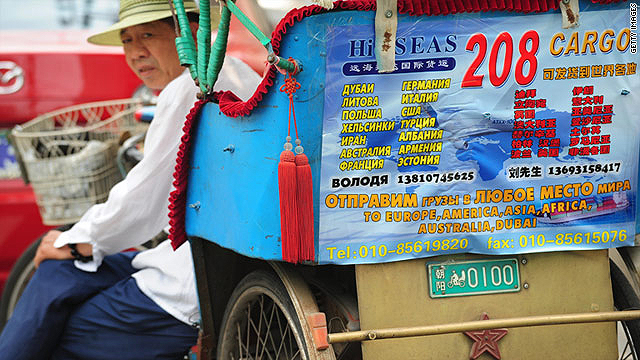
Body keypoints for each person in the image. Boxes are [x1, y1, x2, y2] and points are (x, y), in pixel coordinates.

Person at [0, 0, 261, 358]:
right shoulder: (234, 71)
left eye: (148, 35)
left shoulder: (188, 89)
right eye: (127, 41)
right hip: (209, 258)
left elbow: (144, 202)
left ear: (185, 33)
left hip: (190, 282)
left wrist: (78, 240)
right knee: (57, 275)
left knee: (63, 327)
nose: (136, 52)